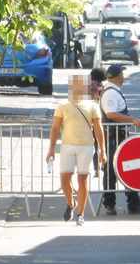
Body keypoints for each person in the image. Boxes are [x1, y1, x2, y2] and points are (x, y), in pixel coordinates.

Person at [45, 76, 106, 226]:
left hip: (86, 147)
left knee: (82, 179)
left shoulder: (92, 106)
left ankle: (80, 213)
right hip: (67, 146)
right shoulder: (63, 105)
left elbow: (98, 129)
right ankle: (71, 202)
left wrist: (102, 151)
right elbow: (55, 128)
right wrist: (51, 149)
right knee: (64, 178)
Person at [100, 64, 140, 215]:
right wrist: (132, 120)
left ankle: (132, 204)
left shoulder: (113, 91)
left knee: (128, 168)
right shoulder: (110, 93)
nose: (123, 77)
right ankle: (111, 204)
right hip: (113, 136)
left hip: (118, 135)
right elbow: (110, 114)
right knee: (112, 171)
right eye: (121, 74)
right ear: (116, 77)